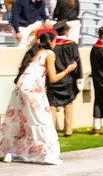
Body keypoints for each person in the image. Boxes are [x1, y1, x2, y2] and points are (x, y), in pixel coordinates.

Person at [1, 28, 77, 165]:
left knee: (20, 119)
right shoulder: (49, 54)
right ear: (50, 41)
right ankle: (47, 154)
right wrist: (68, 70)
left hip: (20, 86)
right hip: (33, 89)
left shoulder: (33, 52)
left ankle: (12, 151)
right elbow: (53, 77)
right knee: (42, 120)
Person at [47, 21, 82, 138]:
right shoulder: (71, 45)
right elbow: (76, 62)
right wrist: (79, 77)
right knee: (68, 105)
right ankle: (68, 131)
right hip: (68, 78)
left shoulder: (52, 45)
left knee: (52, 105)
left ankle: (51, 131)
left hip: (54, 78)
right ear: (66, 31)